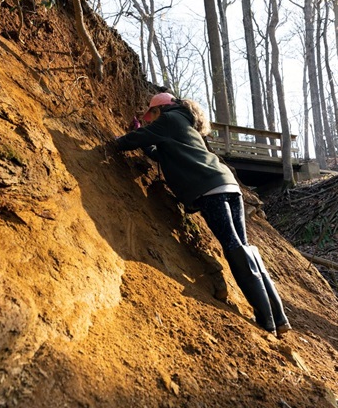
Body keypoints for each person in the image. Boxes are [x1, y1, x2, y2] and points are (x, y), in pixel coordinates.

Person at [114, 92, 291, 338]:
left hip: (209, 189)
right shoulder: (183, 124)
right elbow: (159, 153)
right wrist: (145, 139)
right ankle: (278, 318)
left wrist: (117, 141)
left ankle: (266, 320)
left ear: (160, 109)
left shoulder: (169, 119)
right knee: (243, 246)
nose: (150, 120)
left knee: (232, 246)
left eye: (151, 115)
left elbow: (141, 137)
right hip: (227, 185)